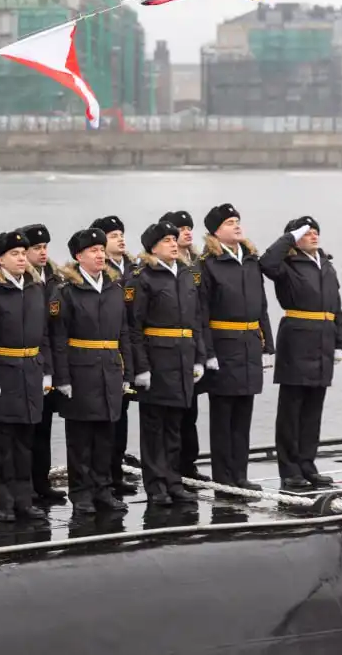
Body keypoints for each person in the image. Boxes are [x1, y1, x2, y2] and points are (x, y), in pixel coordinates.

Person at [259, 217, 342, 491]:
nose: (313, 235)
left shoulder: (327, 266)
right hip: (297, 338)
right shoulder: (286, 265)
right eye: (306, 232)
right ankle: (289, 469)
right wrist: (289, 237)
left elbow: (336, 305)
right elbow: (266, 263)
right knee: (292, 408)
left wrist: (340, 341)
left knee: (313, 409)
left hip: (323, 339)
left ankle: (307, 463)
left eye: (315, 231)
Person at [48, 228, 132, 515]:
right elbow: (58, 339)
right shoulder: (67, 292)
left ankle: (103, 489)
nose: (99, 255)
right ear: (78, 256)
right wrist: (62, 378)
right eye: (92, 251)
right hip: (80, 370)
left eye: (101, 250)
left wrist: (127, 372)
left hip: (109, 369)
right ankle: (82, 493)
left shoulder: (114, 289)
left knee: (106, 434)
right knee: (81, 438)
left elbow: (124, 333)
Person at [0, 230, 49, 523]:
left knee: (25, 441)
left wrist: (46, 369)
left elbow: (44, 334)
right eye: (14, 254)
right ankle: (3, 502)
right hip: (3, 373)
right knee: (3, 443)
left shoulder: (34, 287)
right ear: (0, 259)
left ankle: (24, 499)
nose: (20, 258)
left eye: (22, 253)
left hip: (30, 371)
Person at [126, 222, 204, 506]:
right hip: (157, 360)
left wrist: (199, 358)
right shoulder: (143, 277)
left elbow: (196, 321)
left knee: (175, 426)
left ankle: (173, 481)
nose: (174, 243)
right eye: (167, 240)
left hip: (182, 359)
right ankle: (156, 485)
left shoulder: (185, 275)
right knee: (154, 428)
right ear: (153, 246)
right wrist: (141, 367)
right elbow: (135, 327)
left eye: (175, 239)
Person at [198, 204, 273, 495]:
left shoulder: (251, 260)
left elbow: (261, 304)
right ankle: (223, 478)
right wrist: (208, 353)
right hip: (224, 344)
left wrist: (267, 343)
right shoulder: (209, 263)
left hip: (250, 343)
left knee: (244, 412)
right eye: (230, 222)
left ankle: (240, 474)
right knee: (223, 415)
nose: (237, 226)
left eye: (238, 221)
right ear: (216, 231)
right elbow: (201, 313)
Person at [20, 224, 66, 505]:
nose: (42, 252)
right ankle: (24, 485)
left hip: (48, 362)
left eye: (45, 247)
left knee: (44, 428)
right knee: (25, 432)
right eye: (36, 248)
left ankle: (41, 482)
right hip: (25, 363)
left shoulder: (56, 279)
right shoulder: (21, 281)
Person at [91, 216, 136, 496]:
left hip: (125, 348)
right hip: (102, 351)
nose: (120, 239)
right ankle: (102, 476)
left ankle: (115, 472)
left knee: (122, 417)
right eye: (113, 235)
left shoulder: (135, 269)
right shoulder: (100, 273)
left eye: (121, 234)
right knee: (103, 421)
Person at [161, 209, 207, 482]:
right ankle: (172, 468)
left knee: (191, 410)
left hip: (193, 342)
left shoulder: (198, 262)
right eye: (180, 229)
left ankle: (188, 463)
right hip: (170, 347)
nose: (187, 232)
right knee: (173, 413)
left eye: (189, 227)